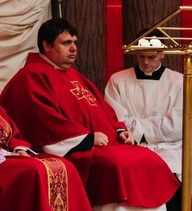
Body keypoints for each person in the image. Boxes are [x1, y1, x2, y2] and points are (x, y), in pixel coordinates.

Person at [0, 17, 180, 210]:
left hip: (101, 143)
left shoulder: (73, 75)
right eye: (66, 43)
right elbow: (43, 120)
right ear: (46, 45)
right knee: (116, 163)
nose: (73, 48)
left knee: (146, 157)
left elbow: (104, 110)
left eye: (75, 42)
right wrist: (87, 138)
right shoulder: (31, 76)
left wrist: (119, 130)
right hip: (73, 149)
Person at [104, 37, 192, 211]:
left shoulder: (180, 81)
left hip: (168, 149)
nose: (145, 62)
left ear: (162, 54)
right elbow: (114, 121)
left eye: (151, 57)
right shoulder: (118, 80)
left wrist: (135, 124)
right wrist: (155, 123)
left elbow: (177, 126)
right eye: (141, 56)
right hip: (130, 148)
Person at [0, 104, 91, 210]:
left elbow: (12, 135)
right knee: (34, 170)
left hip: (6, 154)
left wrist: (19, 148)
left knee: (64, 165)